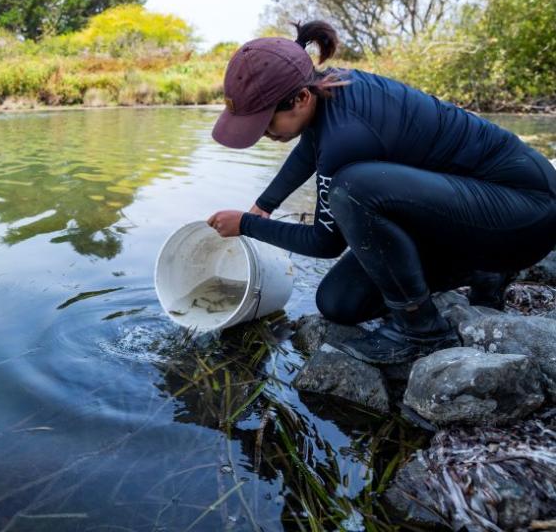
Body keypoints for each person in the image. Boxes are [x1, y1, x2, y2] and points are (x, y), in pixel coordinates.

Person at [206, 21, 556, 365]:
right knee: (338, 302)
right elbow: (308, 148)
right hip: (475, 209)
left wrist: (247, 226)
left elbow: (324, 244)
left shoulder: (348, 136)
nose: (264, 134)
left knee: (352, 190)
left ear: (300, 97)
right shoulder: (328, 89)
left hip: (525, 213)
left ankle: (422, 330)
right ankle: (480, 270)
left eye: (265, 123)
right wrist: (264, 205)